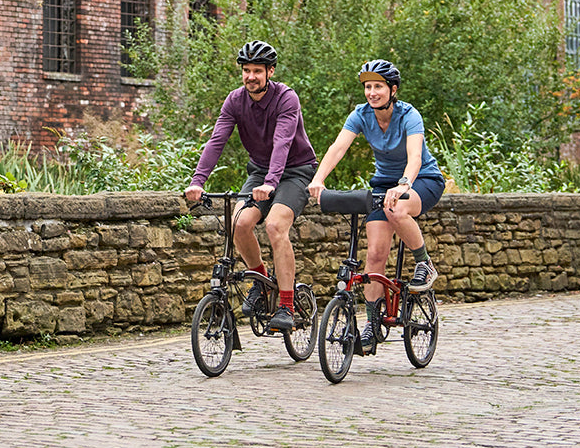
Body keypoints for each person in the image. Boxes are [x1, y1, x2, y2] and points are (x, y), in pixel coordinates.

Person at [308, 59, 445, 353]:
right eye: (368, 87)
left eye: (378, 87)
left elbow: (415, 156)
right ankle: (372, 324)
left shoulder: (409, 115)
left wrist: (405, 183)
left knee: (397, 210)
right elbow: (338, 148)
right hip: (384, 185)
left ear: (392, 90)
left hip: (422, 180)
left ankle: (424, 263)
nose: (372, 92)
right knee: (374, 255)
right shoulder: (361, 115)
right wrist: (318, 179)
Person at [184, 40, 318, 333]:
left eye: (258, 71)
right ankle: (260, 280)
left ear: (270, 72)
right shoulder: (235, 101)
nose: (251, 77)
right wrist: (197, 181)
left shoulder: (286, 98)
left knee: (275, 226)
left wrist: (271, 184)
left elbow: (283, 142)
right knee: (239, 224)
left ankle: (286, 303)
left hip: (296, 171)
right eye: (246, 71)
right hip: (260, 171)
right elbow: (216, 141)